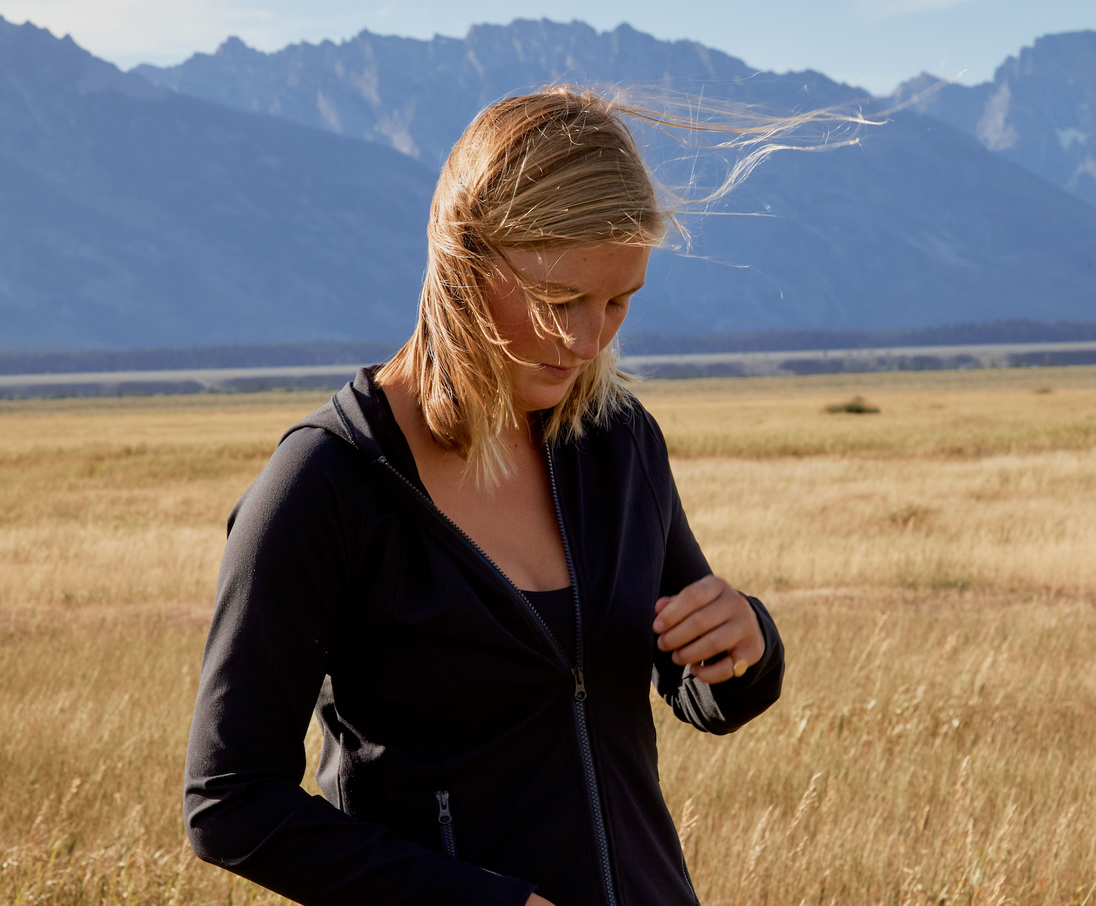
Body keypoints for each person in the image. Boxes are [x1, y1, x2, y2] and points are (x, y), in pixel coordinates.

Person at [182, 87, 786, 906]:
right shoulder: (323, 485)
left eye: (619, 302)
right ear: (466, 256)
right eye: (560, 300)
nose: (587, 339)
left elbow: (697, 687)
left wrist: (744, 645)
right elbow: (229, 802)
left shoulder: (618, 441)